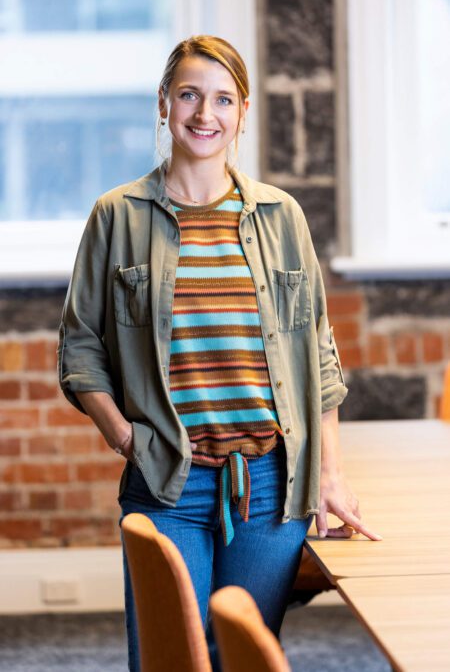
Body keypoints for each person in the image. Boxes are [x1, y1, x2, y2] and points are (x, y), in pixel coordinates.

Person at [57, 34, 382, 672]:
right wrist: (125, 437)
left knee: (243, 654)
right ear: (163, 104)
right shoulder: (116, 216)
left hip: (267, 487)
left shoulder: (281, 217)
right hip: (165, 483)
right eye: (189, 96)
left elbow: (318, 350)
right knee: (168, 656)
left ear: (243, 113)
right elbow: (80, 346)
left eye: (222, 99)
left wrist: (330, 476)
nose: (205, 114)